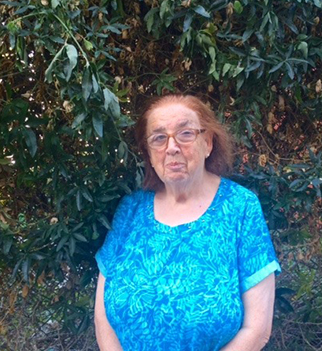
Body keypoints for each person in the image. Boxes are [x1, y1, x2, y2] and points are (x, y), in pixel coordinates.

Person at [94, 94, 281, 351]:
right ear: (149, 153)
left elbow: (257, 329)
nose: (171, 147)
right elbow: (103, 316)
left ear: (207, 143)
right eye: (159, 138)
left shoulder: (240, 208)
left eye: (185, 134)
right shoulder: (131, 211)